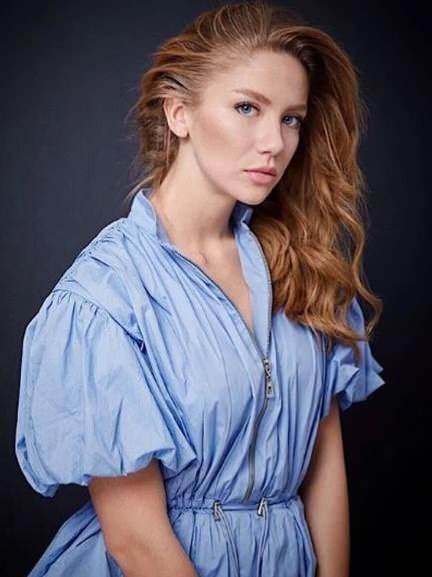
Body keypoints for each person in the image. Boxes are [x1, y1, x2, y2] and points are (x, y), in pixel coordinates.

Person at [15, 1, 386, 576]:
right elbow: (135, 541)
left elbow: (323, 465)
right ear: (179, 113)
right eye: (247, 108)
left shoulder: (302, 265)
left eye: (291, 118)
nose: (274, 142)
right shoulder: (104, 298)